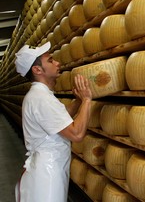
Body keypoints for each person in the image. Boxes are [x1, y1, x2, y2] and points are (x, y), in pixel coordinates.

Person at [14, 41, 92, 202]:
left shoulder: (39, 95)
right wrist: (87, 100)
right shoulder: (41, 99)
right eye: (50, 60)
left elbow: (58, 121)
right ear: (37, 70)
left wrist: (77, 102)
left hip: (45, 167)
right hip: (47, 173)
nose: (57, 63)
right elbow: (76, 134)